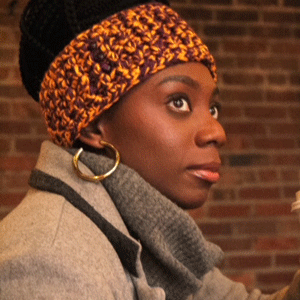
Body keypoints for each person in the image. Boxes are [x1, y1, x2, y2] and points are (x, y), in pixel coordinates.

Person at [0, 0, 299, 299]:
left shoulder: (145, 231)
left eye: (213, 108)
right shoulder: (53, 264)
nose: (216, 132)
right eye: (178, 102)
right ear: (92, 125)